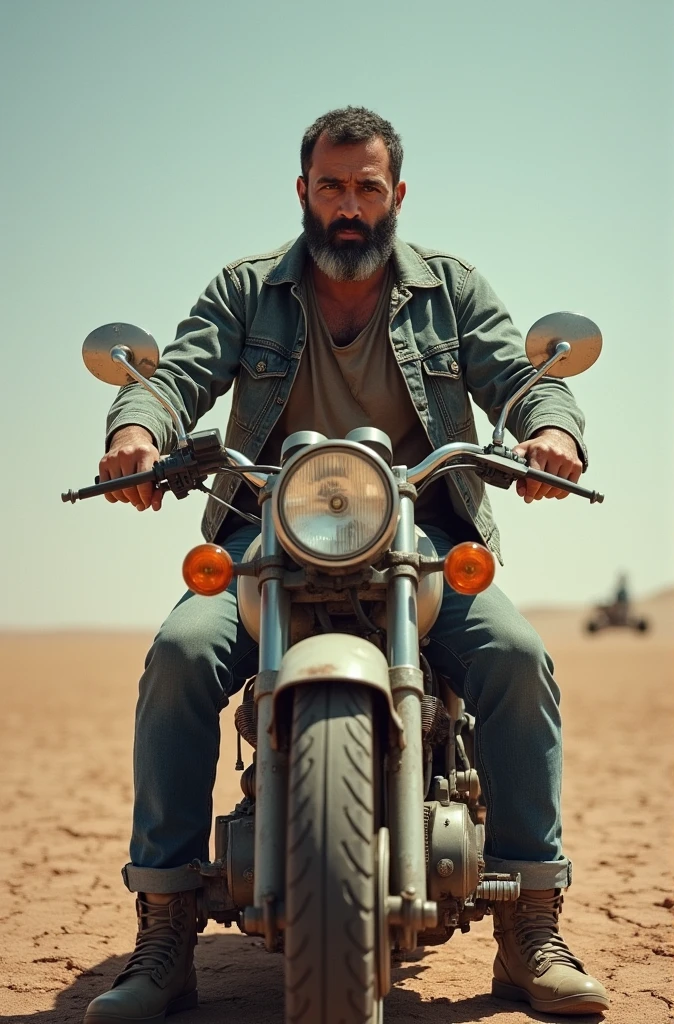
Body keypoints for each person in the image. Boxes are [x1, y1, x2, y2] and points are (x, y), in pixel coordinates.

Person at [84, 107, 609, 1022]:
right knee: (177, 655)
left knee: (519, 659)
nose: (350, 206)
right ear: (303, 193)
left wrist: (551, 428)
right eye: (332, 186)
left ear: (397, 194)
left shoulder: (451, 290)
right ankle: (164, 925)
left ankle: (530, 920)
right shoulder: (249, 290)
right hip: (266, 531)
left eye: (369, 187)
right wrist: (138, 427)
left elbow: (522, 378)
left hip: (423, 532)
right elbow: (178, 376)